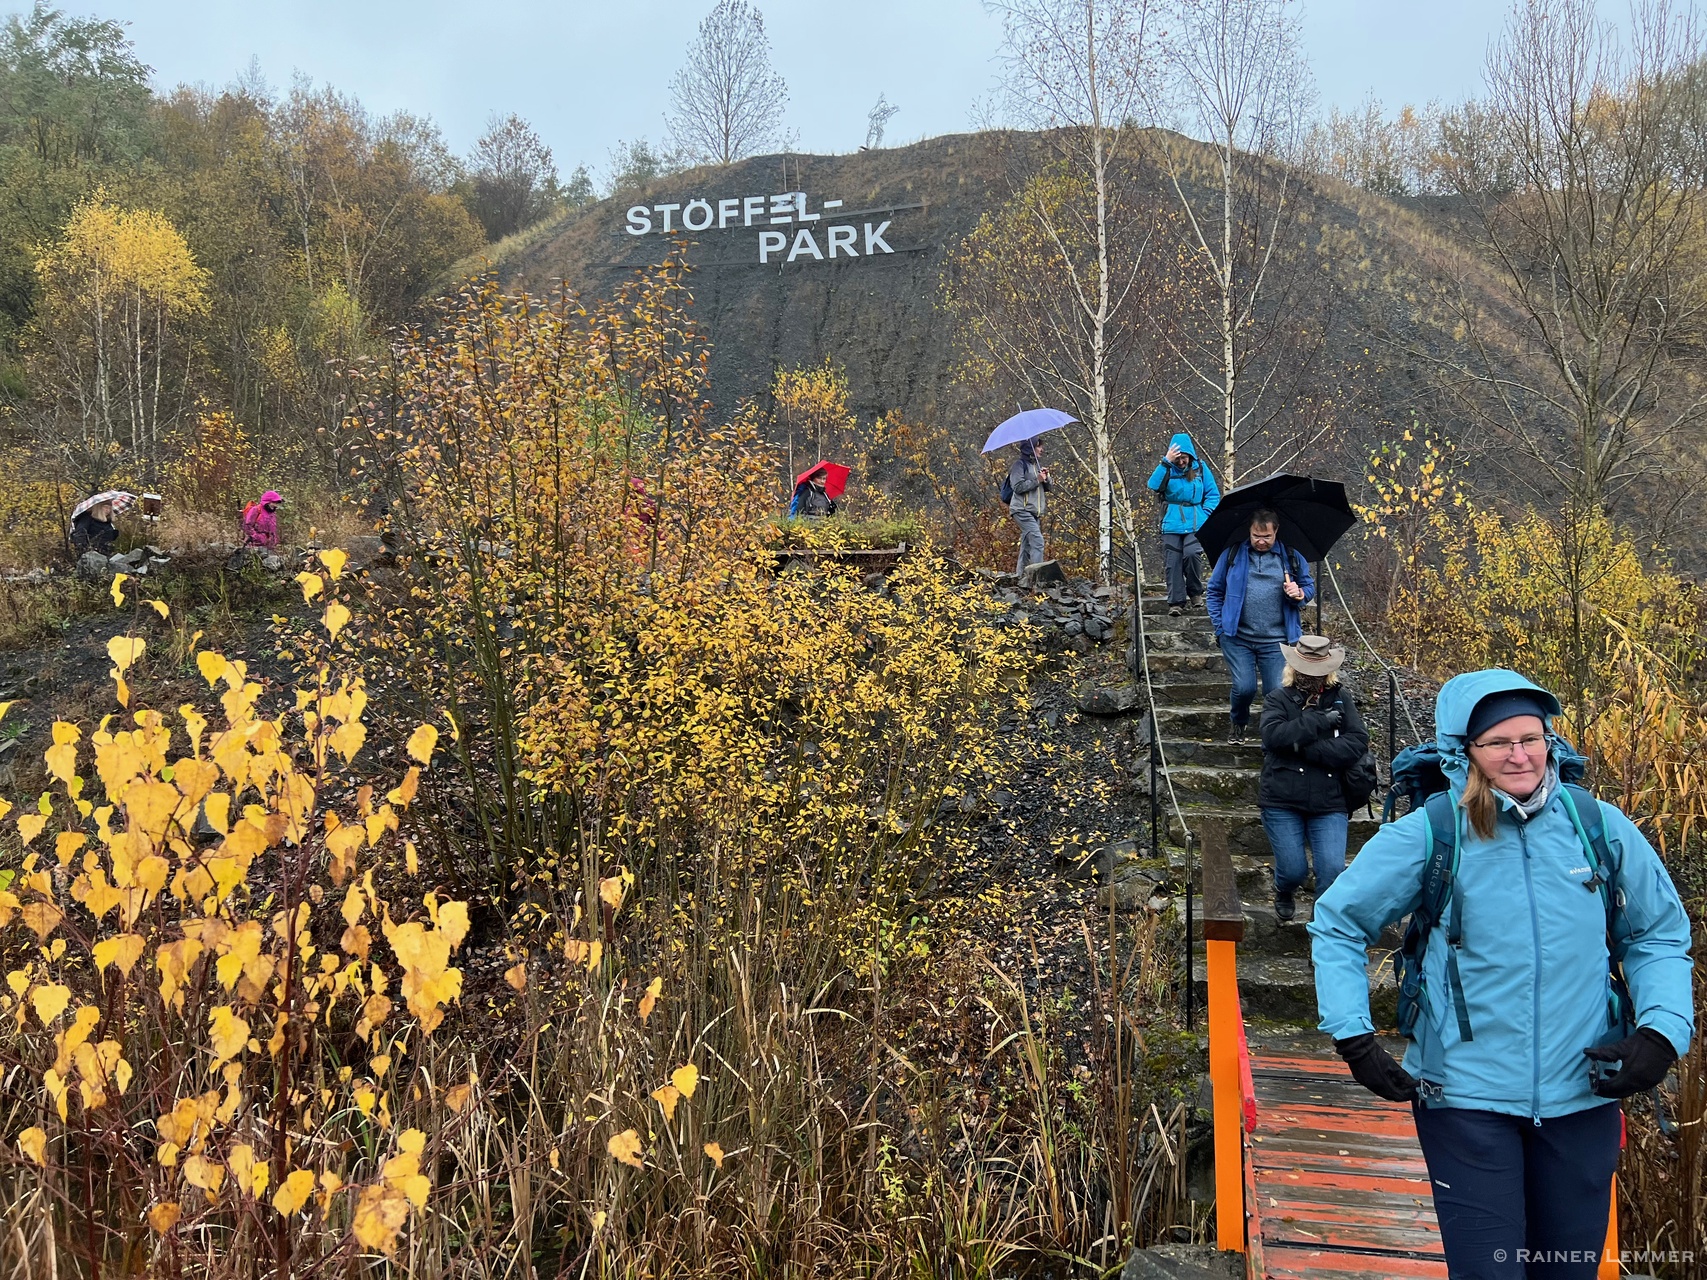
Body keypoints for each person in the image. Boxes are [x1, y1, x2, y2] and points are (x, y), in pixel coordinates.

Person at [1310, 670, 1694, 1280]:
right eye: (1498, 742)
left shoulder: (1598, 828)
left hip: (1584, 1094)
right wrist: (1353, 1035)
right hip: (1464, 1100)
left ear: (1550, 741)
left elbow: (1657, 933)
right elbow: (1338, 921)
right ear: (1465, 750)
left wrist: (1661, 1032)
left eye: (1531, 737)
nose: (1519, 755)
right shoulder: (1433, 833)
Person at [1258, 635, 1367, 921]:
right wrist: (1318, 721)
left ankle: (1321, 932)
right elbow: (1273, 737)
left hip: (1330, 800)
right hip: (1282, 798)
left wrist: (1307, 748)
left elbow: (1357, 742)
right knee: (1294, 870)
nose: (1312, 675)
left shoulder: (1342, 699)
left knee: (1331, 870)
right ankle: (1284, 888)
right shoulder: (1277, 698)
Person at [1205, 509, 1314, 743]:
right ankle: (1238, 722)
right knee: (1244, 688)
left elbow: (1308, 586)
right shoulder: (1232, 554)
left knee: (1275, 690)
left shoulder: (1291, 556)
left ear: (1276, 532)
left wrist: (1300, 592)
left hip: (1277, 639)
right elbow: (1214, 591)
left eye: (1267, 537)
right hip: (1237, 636)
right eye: (1256, 536)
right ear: (1249, 531)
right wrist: (1220, 626)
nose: (1261, 541)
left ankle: (1272, 734)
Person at [1147, 432, 1220, 616]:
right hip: (1171, 523)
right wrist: (1166, 462)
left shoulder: (1200, 469)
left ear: (1190, 456)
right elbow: (1153, 485)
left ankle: (1195, 592)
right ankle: (1176, 603)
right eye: (1178, 458)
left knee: (1192, 554)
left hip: (1197, 522)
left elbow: (1212, 494)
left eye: (1184, 457)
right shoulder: (1167, 469)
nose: (1181, 462)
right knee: (1173, 562)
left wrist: (1206, 513)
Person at [1007, 438, 1051, 577]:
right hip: (1021, 510)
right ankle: (1037, 578)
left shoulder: (1037, 466)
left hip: (1034, 512)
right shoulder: (1019, 466)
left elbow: (1048, 488)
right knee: (1037, 541)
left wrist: (1046, 477)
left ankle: (1021, 577)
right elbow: (1017, 487)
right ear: (1030, 448)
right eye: (1039, 447)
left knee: (1026, 547)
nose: (1041, 449)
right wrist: (1036, 480)